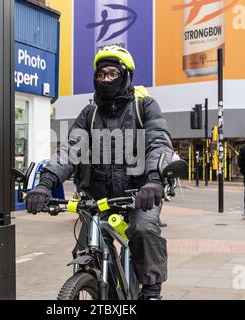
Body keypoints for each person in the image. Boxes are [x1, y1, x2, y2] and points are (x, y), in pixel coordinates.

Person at [25, 46, 174, 300]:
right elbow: (71, 149)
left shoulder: (144, 107)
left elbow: (158, 142)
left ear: (126, 75)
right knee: (85, 248)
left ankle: (151, 292)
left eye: (112, 73)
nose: (106, 79)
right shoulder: (89, 113)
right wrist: (45, 183)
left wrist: (154, 180)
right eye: (101, 74)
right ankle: (96, 284)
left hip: (139, 196)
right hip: (98, 199)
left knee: (143, 230)